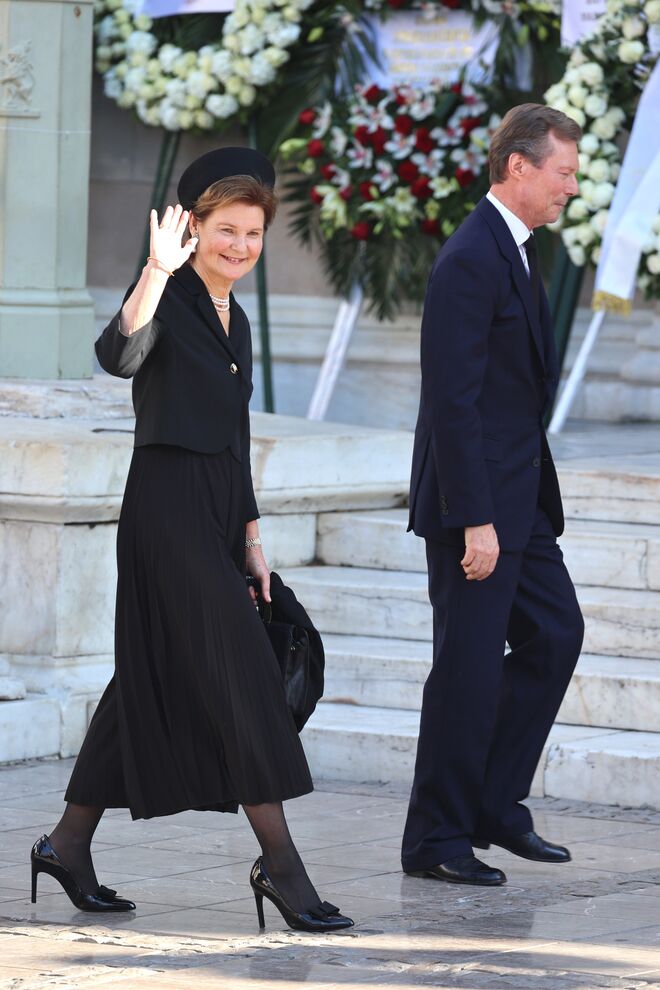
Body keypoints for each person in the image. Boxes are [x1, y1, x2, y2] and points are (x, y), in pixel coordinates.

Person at [31, 147, 353, 933]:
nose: (240, 246)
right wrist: (152, 270)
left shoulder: (233, 315)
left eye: (253, 233)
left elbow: (236, 434)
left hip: (215, 514)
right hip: (167, 512)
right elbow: (117, 355)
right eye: (225, 230)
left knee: (149, 677)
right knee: (243, 676)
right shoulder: (169, 296)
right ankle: (282, 869)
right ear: (193, 228)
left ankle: (67, 845)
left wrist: (251, 535)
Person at [402, 105, 585, 886]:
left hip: (520, 501)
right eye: (564, 173)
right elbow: (453, 400)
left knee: (554, 635)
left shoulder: (517, 249)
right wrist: (474, 517)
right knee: (467, 670)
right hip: (474, 506)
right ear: (519, 167)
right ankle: (437, 839)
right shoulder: (472, 257)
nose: (570, 188)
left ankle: (494, 806)